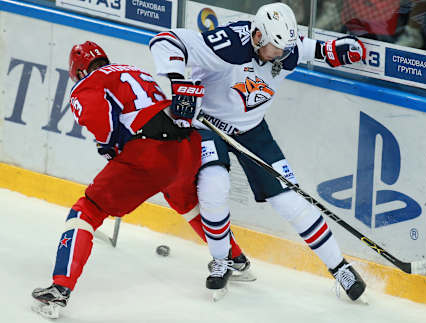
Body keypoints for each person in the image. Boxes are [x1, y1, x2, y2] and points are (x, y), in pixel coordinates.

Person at [149, 2, 367, 300]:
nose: (281, 55)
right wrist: (177, 80)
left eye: (285, 49)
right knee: (214, 186)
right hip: (209, 126)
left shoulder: (285, 48)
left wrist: (338, 49)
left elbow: (314, 49)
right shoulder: (227, 46)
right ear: (256, 35)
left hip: (252, 130)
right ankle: (221, 260)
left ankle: (339, 267)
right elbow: (165, 40)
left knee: (290, 202)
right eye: (275, 48)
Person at [31, 41, 247, 318]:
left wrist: (109, 148)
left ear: (78, 70)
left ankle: (59, 289)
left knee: (87, 210)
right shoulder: (133, 70)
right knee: (184, 201)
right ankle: (235, 257)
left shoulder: (86, 84)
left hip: (151, 154)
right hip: (187, 147)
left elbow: (104, 129)